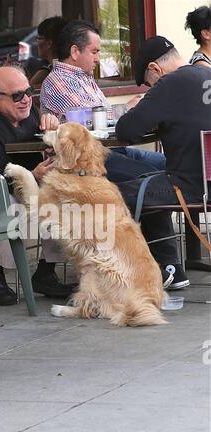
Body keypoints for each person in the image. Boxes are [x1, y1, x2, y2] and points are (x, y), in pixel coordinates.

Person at [0, 65, 74, 306]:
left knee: (59, 195)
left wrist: (50, 126)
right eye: (17, 95)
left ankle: (46, 271)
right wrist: (32, 175)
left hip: (13, 177)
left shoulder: (25, 110)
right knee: (4, 202)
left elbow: (38, 142)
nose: (26, 99)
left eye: (29, 92)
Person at [115, 35, 211, 288]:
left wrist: (138, 107)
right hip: (203, 178)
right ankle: (171, 269)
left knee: (113, 192)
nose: (151, 90)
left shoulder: (170, 82)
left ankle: (132, 274)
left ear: (154, 69)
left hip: (192, 188)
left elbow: (126, 131)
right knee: (150, 178)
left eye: (149, 85)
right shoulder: (206, 73)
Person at [40, 19, 166, 184]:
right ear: (75, 52)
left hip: (110, 151)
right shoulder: (57, 82)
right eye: (94, 52)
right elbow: (90, 121)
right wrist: (128, 109)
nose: (98, 59)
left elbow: (102, 115)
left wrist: (134, 112)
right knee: (156, 179)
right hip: (87, 162)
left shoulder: (84, 77)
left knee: (173, 166)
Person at [30, 16, 68, 87]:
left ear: (49, 43)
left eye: (38, 38)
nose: (36, 42)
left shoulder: (45, 76)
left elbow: (28, 93)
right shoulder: (71, 69)